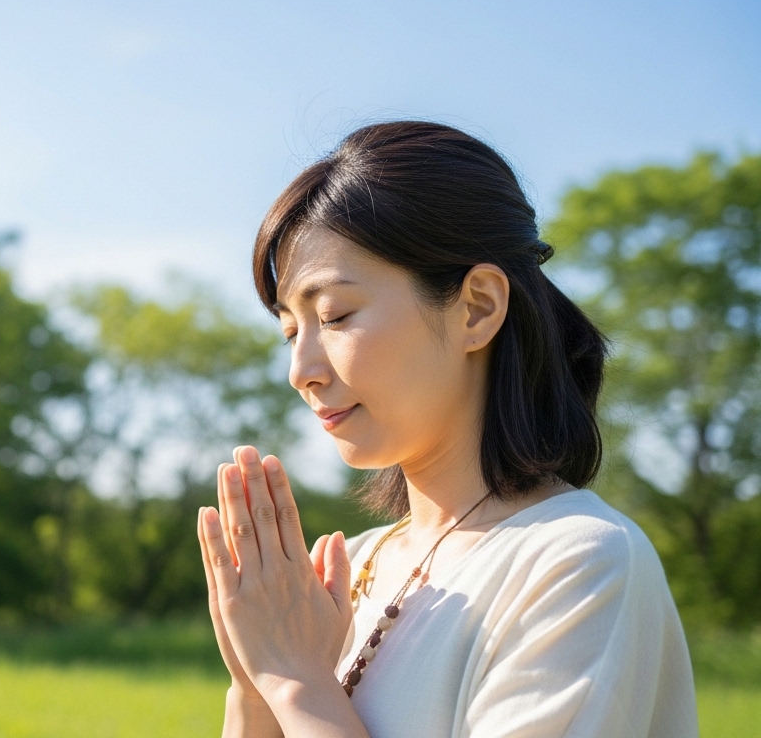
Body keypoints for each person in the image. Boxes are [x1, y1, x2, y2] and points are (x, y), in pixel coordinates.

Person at [196, 121, 697, 737]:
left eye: (336, 315)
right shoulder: (335, 578)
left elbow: (297, 682)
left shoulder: (577, 562)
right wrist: (253, 687)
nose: (302, 371)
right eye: (291, 333)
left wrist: (294, 681)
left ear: (478, 306)